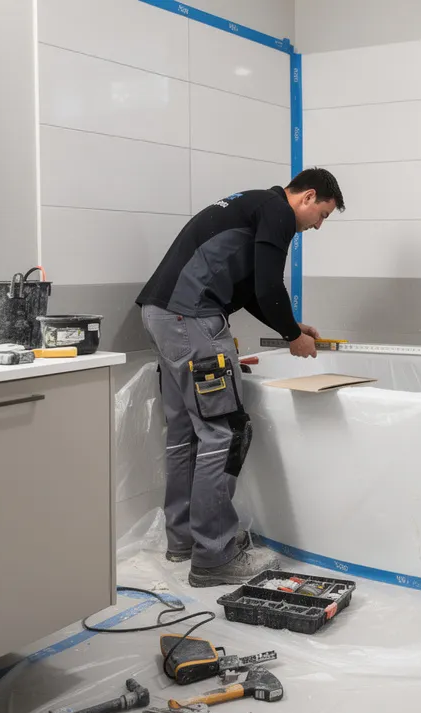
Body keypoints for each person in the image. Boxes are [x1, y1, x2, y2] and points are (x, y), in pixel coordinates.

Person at [136, 168, 344, 587]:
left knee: (184, 432)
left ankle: (184, 541)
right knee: (225, 432)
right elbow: (269, 285)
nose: (318, 225)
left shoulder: (252, 206)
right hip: (191, 317)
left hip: (162, 315)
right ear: (306, 197)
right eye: (321, 214)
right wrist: (290, 336)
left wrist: (292, 327)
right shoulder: (278, 213)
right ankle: (214, 554)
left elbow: (249, 292)